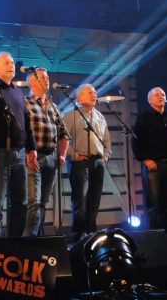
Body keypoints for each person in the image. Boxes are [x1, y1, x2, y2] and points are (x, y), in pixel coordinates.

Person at [0, 52, 38, 239]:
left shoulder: (17, 91)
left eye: (13, 62)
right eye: (6, 62)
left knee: (20, 201)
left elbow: (27, 123)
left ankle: (15, 242)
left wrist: (31, 149)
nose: (11, 65)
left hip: (18, 153)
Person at [23, 68, 70, 236]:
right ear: (32, 81)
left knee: (43, 202)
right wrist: (28, 151)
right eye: (43, 77)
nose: (47, 79)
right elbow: (21, 132)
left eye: (48, 76)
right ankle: (29, 240)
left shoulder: (54, 107)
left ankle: (38, 238)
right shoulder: (25, 102)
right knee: (34, 202)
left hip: (51, 158)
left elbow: (64, 134)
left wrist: (63, 155)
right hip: (33, 157)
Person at [132, 87, 167, 230]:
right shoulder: (144, 118)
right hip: (153, 165)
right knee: (153, 203)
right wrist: (145, 159)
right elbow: (136, 140)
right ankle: (154, 235)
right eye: (157, 95)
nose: (161, 96)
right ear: (150, 100)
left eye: (163, 94)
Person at [63, 84, 111, 239]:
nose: (94, 95)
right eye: (90, 92)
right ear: (79, 97)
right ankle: (79, 235)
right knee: (81, 201)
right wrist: (73, 155)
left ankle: (91, 233)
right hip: (79, 162)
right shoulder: (71, 115)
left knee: (94, 200)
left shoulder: (99, 115)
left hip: (98, 162)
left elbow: (106, 140)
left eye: (95, 92)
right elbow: (62, 139)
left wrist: (105, 156)